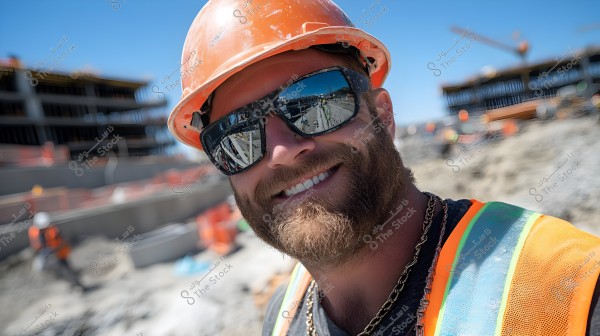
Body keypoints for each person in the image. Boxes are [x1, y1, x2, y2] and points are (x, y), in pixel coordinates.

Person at [167, 1, 600, 335]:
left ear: (384, 116)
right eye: (235, 137)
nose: (281, 151)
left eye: (316, 102)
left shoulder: (569, 286)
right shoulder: (282, 315)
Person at [29, 212, 87, 291]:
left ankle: (77, 284)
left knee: (65, 269)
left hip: (59, 254)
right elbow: (36, 245)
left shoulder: (53, 231)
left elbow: (62, 242)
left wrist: (54, 251)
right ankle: (73, 283)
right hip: (47, 255)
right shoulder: (34, 231)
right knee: (56, 270)